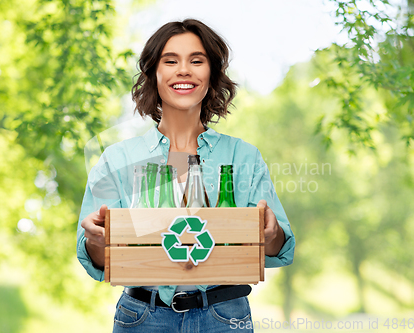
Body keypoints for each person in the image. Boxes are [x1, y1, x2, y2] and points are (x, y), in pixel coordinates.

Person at [77, 19, 295, 332]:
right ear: (154, 73)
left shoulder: (243, 157)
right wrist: (97, 240)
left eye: (197, 60)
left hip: (223, 316)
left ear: (212, 74)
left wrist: (271, 235)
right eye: (170, 61)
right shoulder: (118, 159)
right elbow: (94, 257)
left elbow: (280, 245)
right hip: (142, 317)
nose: (184, 70)